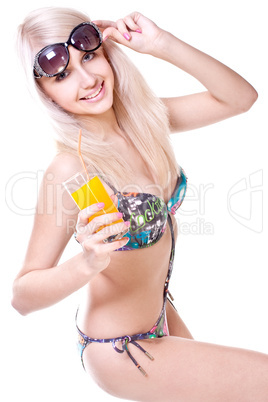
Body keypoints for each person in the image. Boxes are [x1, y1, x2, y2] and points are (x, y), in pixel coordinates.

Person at [12, 6, 267, 401]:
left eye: (89, 56)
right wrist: (86, 262)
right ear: (44, 91)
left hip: (161, 317)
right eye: (62, 75)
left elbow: (241, 98)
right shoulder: (71, 168)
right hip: (121, 347)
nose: (88, 79)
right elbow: (22, 297)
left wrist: (161, 44)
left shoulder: (146, 121)